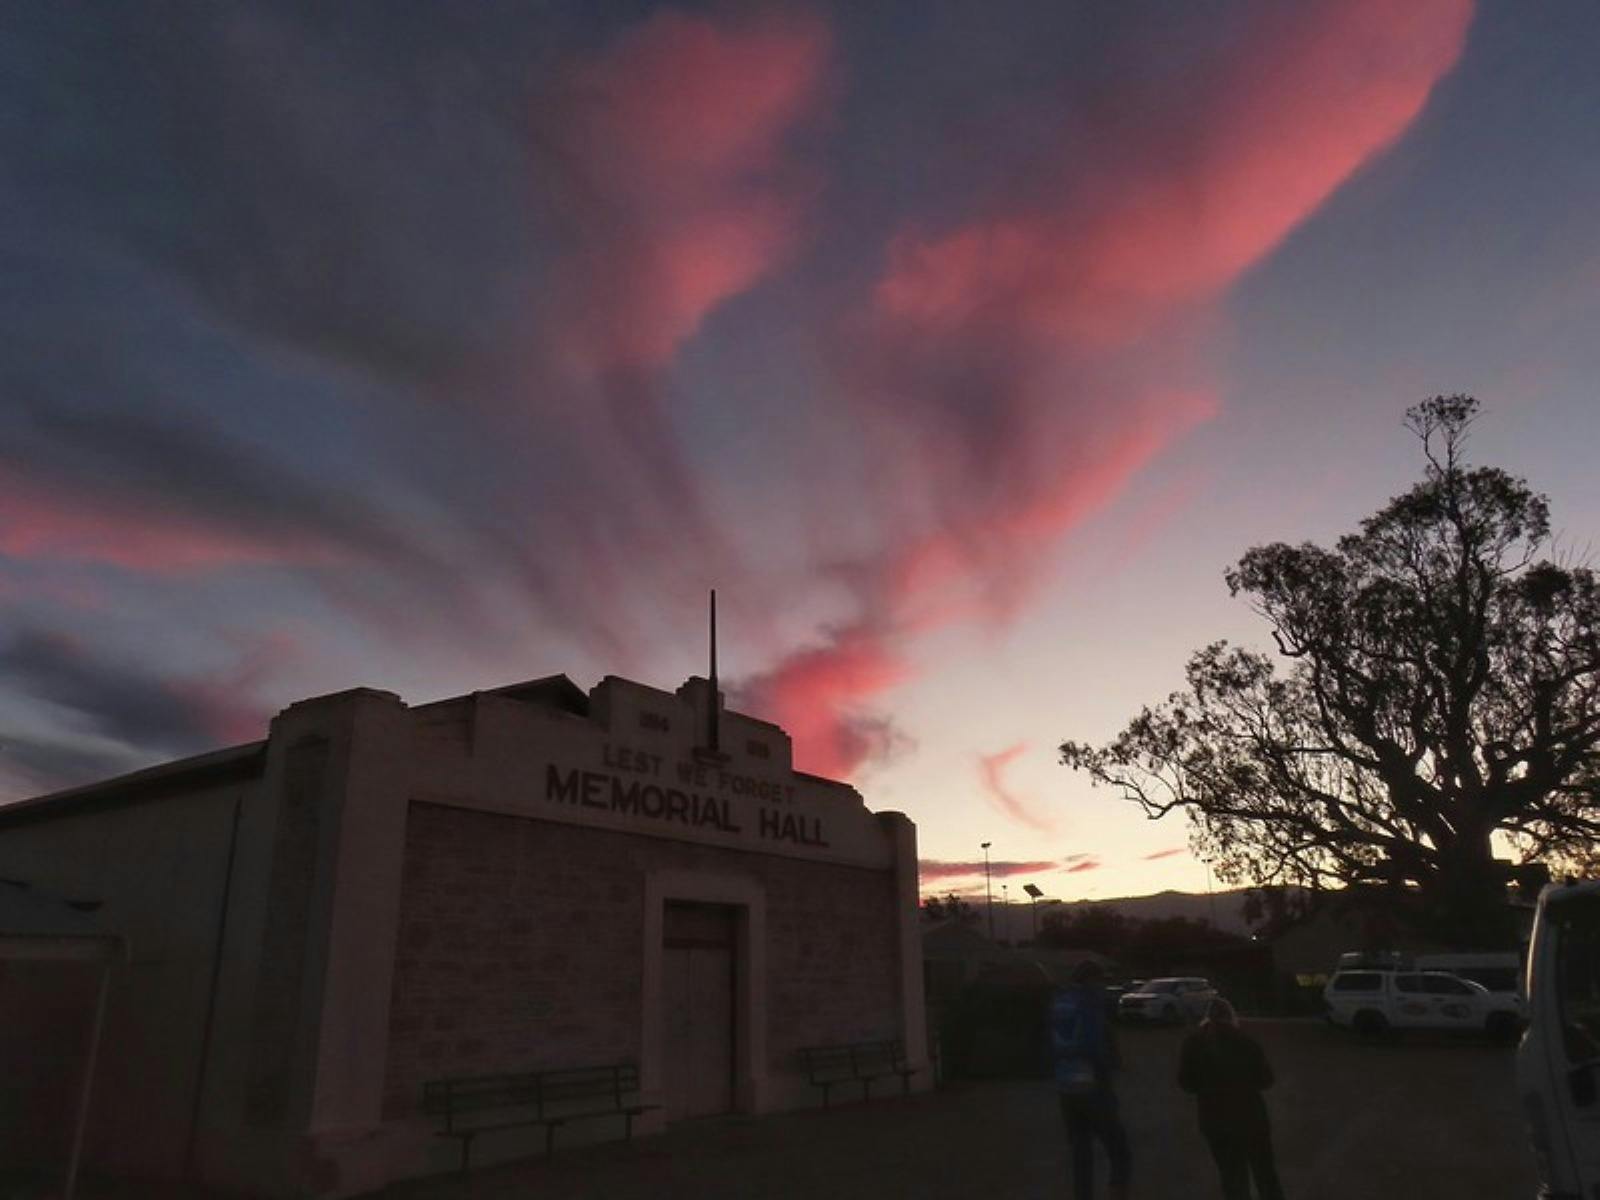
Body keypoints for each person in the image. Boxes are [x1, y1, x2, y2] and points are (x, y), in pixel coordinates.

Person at [1177, 998, 1285, 1200]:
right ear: (1231, 1016)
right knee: (1265, 1174)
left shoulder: (1193, 1043)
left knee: (1231, 1177)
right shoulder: (1245, 1041)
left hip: (1214, 1121)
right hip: (1252, 1119)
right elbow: (1266, 1080)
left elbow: (1185, 1083)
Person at [1050, 959, 1132, 1199]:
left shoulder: (1059, 1002)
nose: (1103, 986)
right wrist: (1110, 1066)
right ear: (1091, 980)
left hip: (1066, 1088)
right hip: (1092, 1086)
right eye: (1101, 981)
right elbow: (1093, 1046)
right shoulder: (1089, 1001)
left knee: (1081, 1152)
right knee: (1119, 1150)